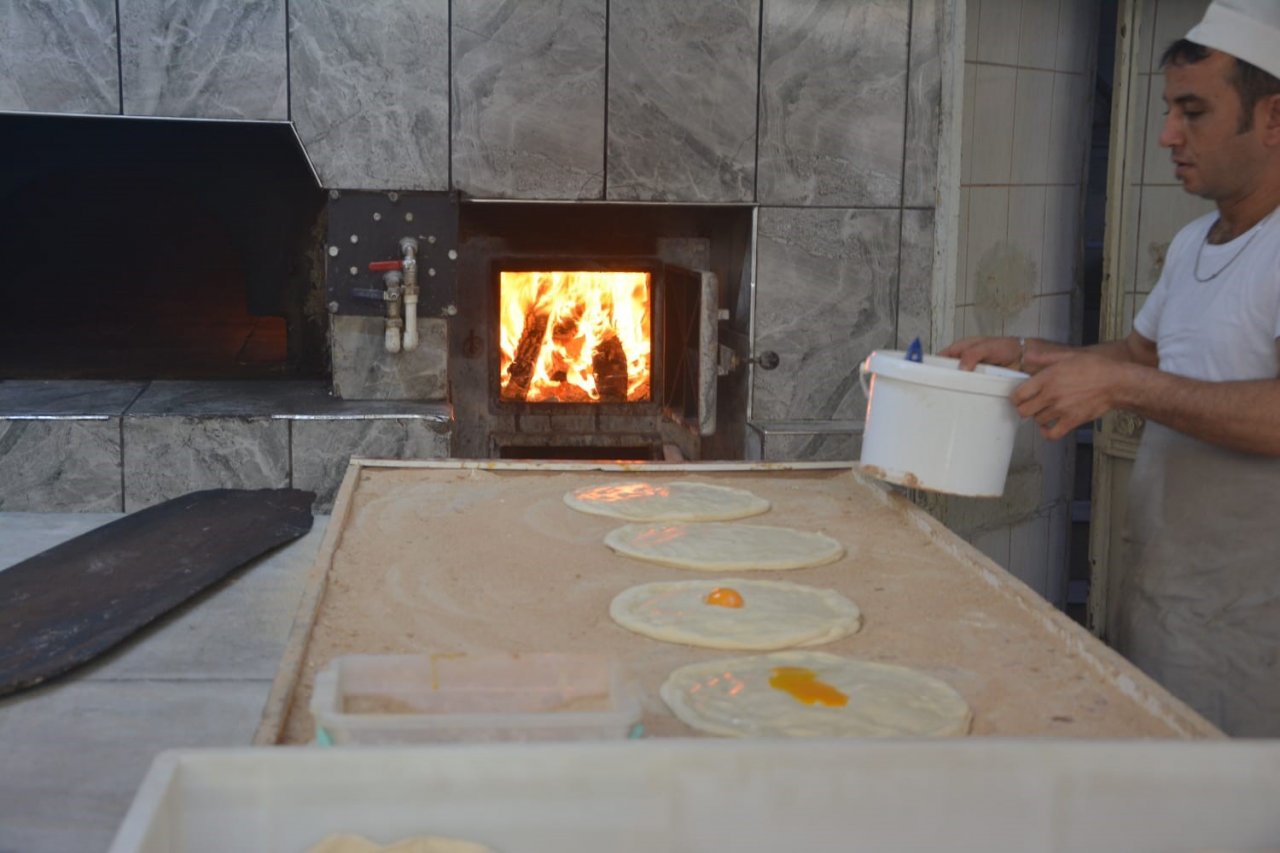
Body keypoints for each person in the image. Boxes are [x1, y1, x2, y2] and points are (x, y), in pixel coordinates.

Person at [942, 0, 1280, 736]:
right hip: (1172, 599)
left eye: (1193, 112)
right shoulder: (1196, 242)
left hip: (1260, 628)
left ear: (1273, 118)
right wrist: (1023, 354)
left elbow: (1142, 380)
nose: (1168, 135)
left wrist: (1123, 386)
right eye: (1168, 110)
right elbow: (1141, 358)